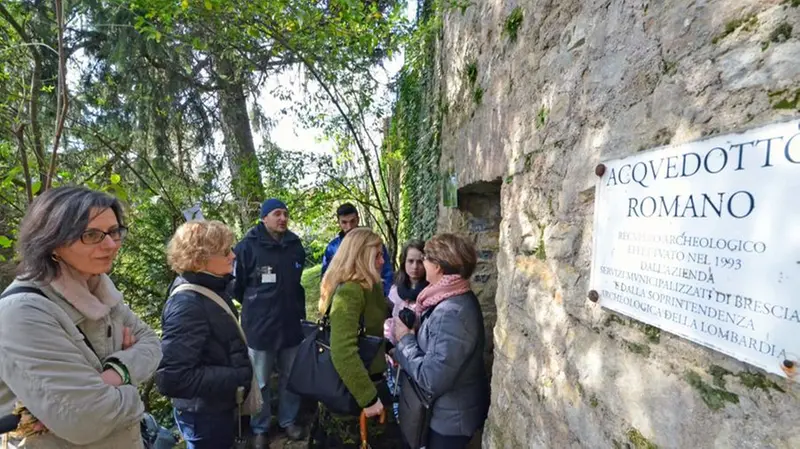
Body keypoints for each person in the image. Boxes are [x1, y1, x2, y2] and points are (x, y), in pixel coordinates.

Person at [0, 186, 162, 448]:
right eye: (91, 235)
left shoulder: (99, 288)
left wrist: (114, 374)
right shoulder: (23, 313)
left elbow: (151, 343)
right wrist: (132, 394)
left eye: (113, 232)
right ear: (52, 242)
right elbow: (88, 418)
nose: (110, 244)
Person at [156, 220, 255, 449]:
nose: (233, 256)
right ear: (200, 259)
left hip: (216, 407)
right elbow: (172, 378)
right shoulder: (187, 305)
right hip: (203, 417)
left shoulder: (210, 286)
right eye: (225, 252)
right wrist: (237, 375)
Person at [393, 233, 489, 449]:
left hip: (450, 422)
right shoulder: (449, 297)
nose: (421, 264)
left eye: (425, 258)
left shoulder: (451, 311)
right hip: (446, 414)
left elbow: (431, 378)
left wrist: (405, 340)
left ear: (437, 266)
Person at [308, 227, 401, 448]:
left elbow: (366, 333)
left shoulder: (370, 287)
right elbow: (343, 351)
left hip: (369, 381)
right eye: (376, 255)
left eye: (382, 255)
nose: (382, 261)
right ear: (360, 257)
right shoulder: (350, 292)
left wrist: (386, 347)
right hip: (354, 392)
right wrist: (368, 398)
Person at [232, 199, 306, 447]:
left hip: (291, 323)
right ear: (264, 218)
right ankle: (260, 428)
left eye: (286, 214)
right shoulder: (247, 247)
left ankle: (288, 421)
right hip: (260, 327)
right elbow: (236, 287)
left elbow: (298, 283)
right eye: (277, 214)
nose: (283, 218)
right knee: (260, 381)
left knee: (291, 377)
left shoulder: (295, 245)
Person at [383, 240, 428, 419]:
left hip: (419, 353)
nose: (415, 267)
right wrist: (389, 346)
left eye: (420, 261)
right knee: (397, 389)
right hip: (395, 351)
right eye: (410, 261)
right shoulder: (395, 290)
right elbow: (389, 319)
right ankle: (399, 421)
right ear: (403, 262)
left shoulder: (431, 292)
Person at [321, 203, 394, 296]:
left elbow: (387, 272)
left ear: (358, 219)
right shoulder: (332, 248)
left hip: (373, 298)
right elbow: (326, 278)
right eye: (344, 222)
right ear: (339, 223)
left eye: (352, 221)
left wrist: (382, 296)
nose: (349, 226)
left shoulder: (372, 243)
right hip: (344, 300)